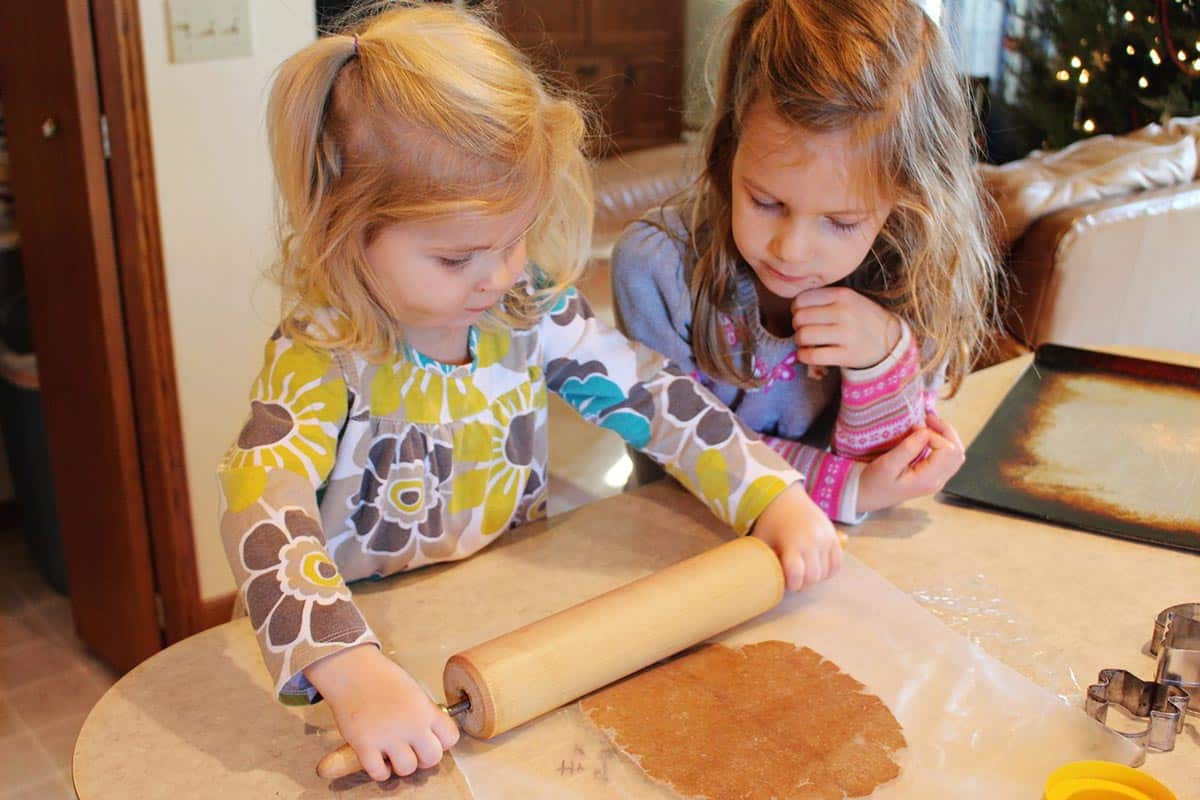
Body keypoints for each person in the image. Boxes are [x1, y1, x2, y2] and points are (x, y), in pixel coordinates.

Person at [218, 3, 841, 782]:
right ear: (343, 229)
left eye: (516, 238)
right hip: (360, 658)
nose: (504, 272)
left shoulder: (524, 310)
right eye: (458, 257)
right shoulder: (320, 354)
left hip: (497, 630)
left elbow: (650, 396)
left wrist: (768, 494)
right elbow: (260, 499)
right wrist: (348, 667)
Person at [612, 0, 1001, 524]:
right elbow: (680, 460)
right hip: (684, 542)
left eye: (841, 222)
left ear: (903, 200)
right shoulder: (657, 270)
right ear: (730, 146)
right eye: (766, 202)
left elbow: (889, 470)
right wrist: (850, 491)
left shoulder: (910, 268)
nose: (791, 250)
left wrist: (883, 361)